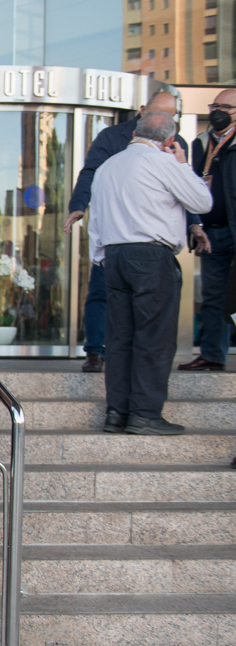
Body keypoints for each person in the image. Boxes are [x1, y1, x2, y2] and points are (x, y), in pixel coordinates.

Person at [91, 111, 212, 435]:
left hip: (114, 256)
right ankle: (145, 414)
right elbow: (202, 201)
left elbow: (95, 221)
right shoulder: (163, 162)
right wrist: (183, 164)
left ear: (135, 133)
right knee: (154, 337)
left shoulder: (107, 167)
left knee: (119, 339)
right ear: (169, 140)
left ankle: (117, 413)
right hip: (150, 255)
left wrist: (100, 257)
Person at [63, 91, 185, 373]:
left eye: (170, 115)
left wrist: (194, 225)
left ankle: (137, 360)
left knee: (149, 306)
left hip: (152, 239)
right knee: (101, 291)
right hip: (115, 232)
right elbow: (91, 172)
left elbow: (186, 190)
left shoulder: (176, 144)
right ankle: (96, 351)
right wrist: (79, 205)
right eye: (158, 112)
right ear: (142, 110)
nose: (163, 119)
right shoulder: (112, 137)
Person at [182, 90, 236, 372]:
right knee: (213, 298)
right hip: (210, 234)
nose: (218, 111)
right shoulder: (201, 143)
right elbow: (190, 185)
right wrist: (194, 223)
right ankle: (212, 356)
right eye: (215, 105)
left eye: (226, 107)